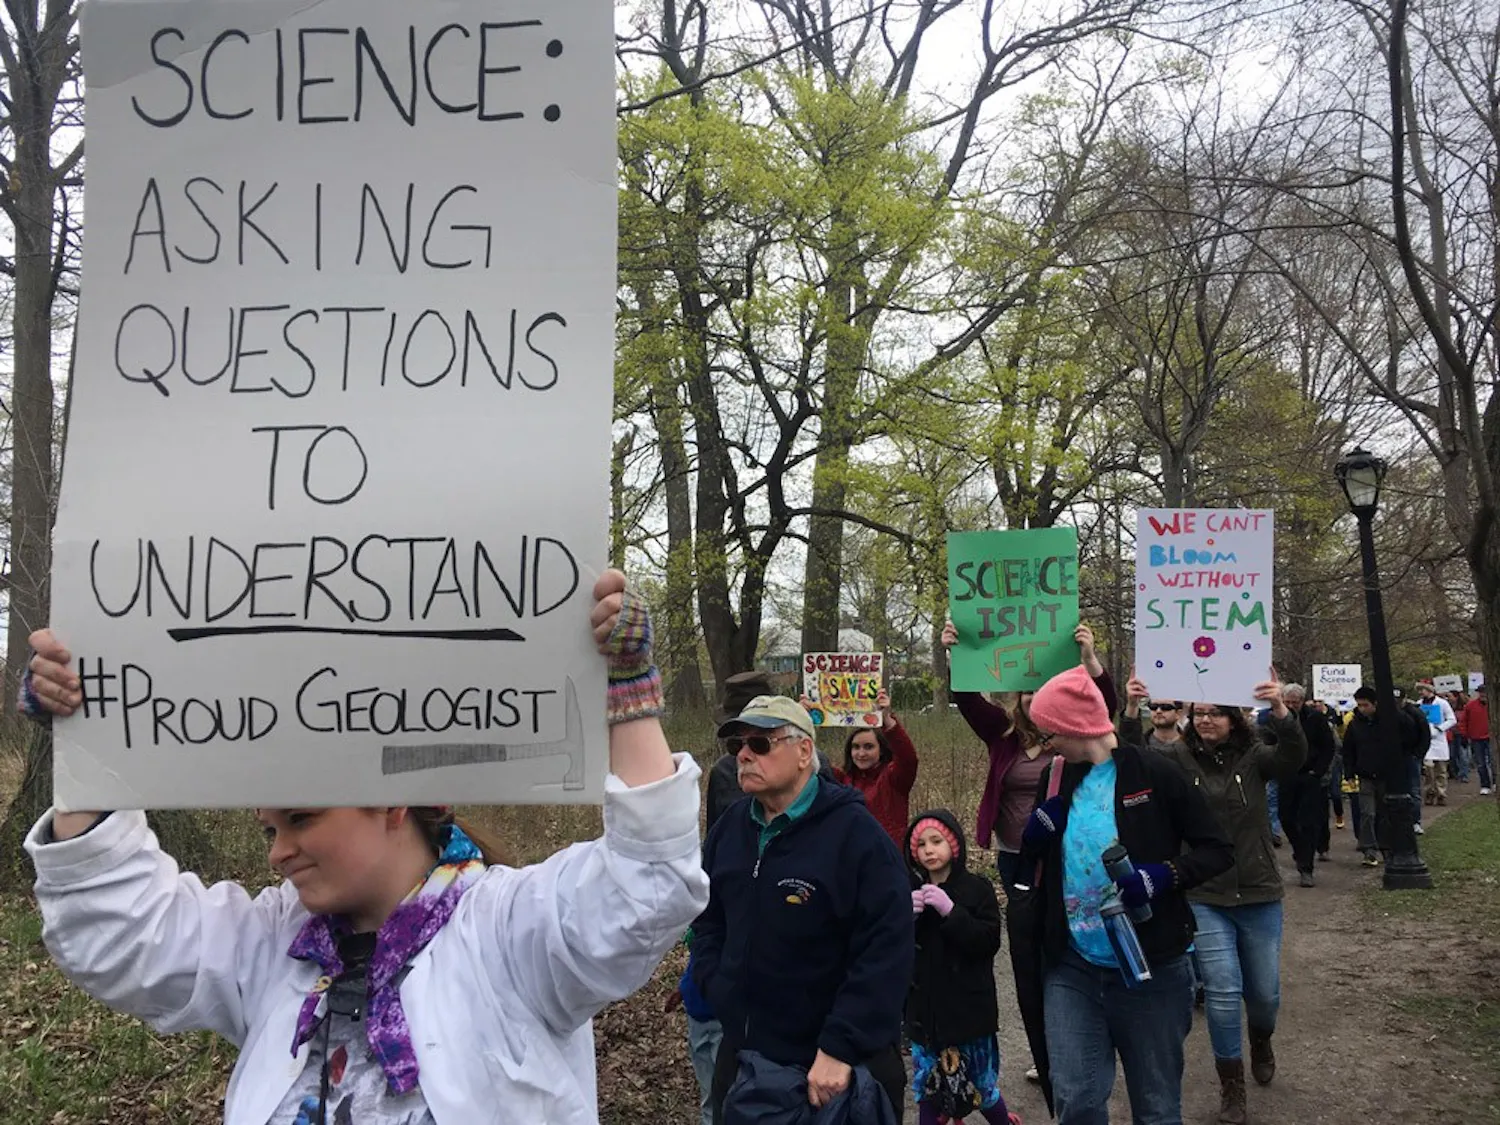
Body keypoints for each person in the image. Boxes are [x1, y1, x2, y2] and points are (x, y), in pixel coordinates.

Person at [19, 573, 710, 1124]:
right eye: (270, 829)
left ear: (390, 797)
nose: (279, 852)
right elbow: (129, 937)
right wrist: (91, 749)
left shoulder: (507, 932)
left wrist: (628, 694)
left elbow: (642, 888)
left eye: (301, 818)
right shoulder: (273, 945)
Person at [1020, 664, 1233, 1125]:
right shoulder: (1056, 777)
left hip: (1150, 967)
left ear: (1077, 726)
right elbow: (1033, 861)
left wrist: (1164, 875)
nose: (1047, 741)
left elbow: (1218, 850)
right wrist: (1036, 835)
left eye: (1051, 730)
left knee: (1156, 1108)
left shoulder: (1156, 774)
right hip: (1073, 965)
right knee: (1075, 1101)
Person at [693, 695, 913, 1124]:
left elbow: (888, 948)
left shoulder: (857, 836)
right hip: (742, 1057)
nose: (743, 754)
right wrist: (714, 981)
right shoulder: (730, 829)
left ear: (803, 751)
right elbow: (707, 914)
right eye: (738, 744)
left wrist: (840, 1046)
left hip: (828, 1072)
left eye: (760, 744)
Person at [1122, 672, 1305, 1124]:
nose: (1205, 719)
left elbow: (1294, 756)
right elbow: (1133, 757)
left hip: (1259, 891)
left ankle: (1261, 1037)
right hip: (1205, 893)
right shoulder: (1177, 760)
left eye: (1214, 713)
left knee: (1264, 993)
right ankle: (1232, 1085)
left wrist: (1280, 709)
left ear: (1234, 718)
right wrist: (1131, 709)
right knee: (1223, 992)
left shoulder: (1255, 756)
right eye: (1199, 712)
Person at [941, 621, 1117, 897]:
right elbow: (968, 700)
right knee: (1022, 921)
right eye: (1029, 692)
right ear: (1018, 696)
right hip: (1014, 853)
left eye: (1043, 690)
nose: (1035, 698)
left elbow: (1104, 707)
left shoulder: (1071, 736)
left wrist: (1090, 660)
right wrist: (958, 657)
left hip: (1066, 848)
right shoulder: (1002, 732)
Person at [905, 810, 1019, 1125]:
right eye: (921, 845)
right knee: (927, 1088)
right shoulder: (909, 892)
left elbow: (987, 941)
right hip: (925, 1017)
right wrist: (904, 921)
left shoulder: (977, 889)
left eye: (936, 841)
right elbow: (895, 952)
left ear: (953, 845)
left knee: (981, 1085)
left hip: (969, 1014)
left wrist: (951, 912)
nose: (928, 850)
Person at [822, 690, 919, 849]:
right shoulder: (841, 780)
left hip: (887, 861)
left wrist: (887, 720)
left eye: (868, 747)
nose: (861, 753)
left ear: (881, 750)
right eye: (856, 747)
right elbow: (807, 764)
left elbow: (908, 759)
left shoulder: (894, 779)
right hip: (851, 860)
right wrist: (799, 722)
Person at [1275, 684, 1337, 884]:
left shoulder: (1315, 718)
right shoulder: (1276, 718)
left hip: (1309, 776)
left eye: (1295, 702)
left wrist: (1317, 771)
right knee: (1286, 817)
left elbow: (1328, 746)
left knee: (1308, 821)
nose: (1291, 706)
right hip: (1286, 774)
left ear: (1302, 702)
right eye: (1288, 702)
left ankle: (1306, 866)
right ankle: (1299, 849)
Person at [1341, 687, 1391, 866]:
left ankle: (1386, 847)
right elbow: (1348, 750)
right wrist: (1349, 772)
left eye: (1365, 705)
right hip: (1365, 775)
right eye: (1359, 705)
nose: (1362, 709)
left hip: (1385, 774)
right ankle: (1369, 849)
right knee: (1367, 813)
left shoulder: (1386, 723)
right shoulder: (1355, 725)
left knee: (1384, 813)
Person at [1417, 683, 1456, 807]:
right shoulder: (1419, 704)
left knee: (1441, 770)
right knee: (1428, 770)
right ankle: (1429, 792)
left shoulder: (1442, 703)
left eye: (1422, 690)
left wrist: (1440, 728)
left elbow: (1452, 719)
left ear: (1429, 690)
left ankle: (1441, 794)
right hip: (1425, 740)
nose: (1420, 692)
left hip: (1439, 740)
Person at [1461, 689, 1492, 795]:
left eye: (1485, 692)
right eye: (1481, 692)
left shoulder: (1494, 704)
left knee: (1493, 762)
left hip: (1492, 738)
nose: (1483, 694)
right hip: (1476, 738)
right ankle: (1485, 785)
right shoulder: (1470, 705)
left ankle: (1496, 783)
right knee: (1480, 763)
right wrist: (1464, 735)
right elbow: (1463, 720)